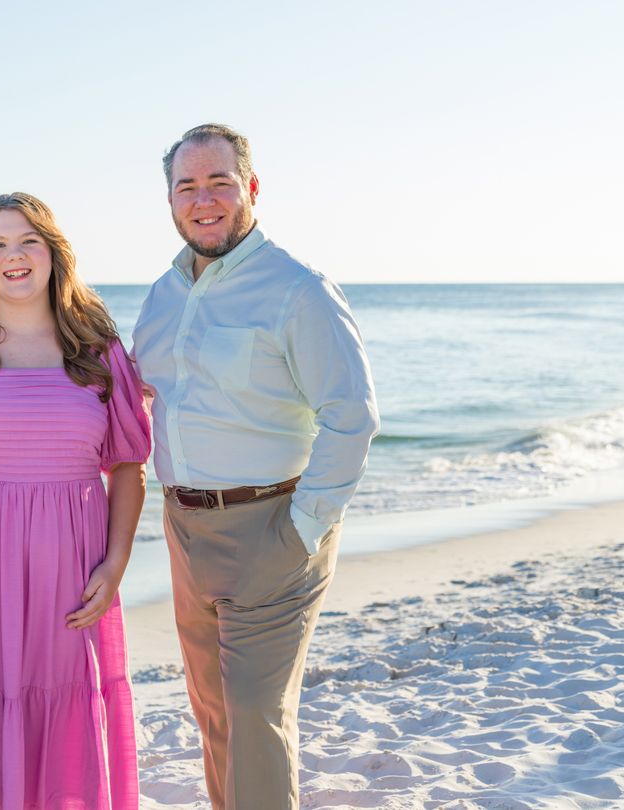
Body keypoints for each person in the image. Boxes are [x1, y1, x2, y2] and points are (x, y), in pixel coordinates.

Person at [131, 124, 380, 810]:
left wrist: (303, 528)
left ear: (252, 189)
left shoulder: (298, 289)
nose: (203, 200)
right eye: (187, 186)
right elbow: (140, 394)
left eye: (219, 183)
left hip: (273, 528)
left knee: (254, 713)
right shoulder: (162, 294)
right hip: (185, 529)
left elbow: (352, 415)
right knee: (213, 712)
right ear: (171, 199)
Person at [0, 193, 151, 810]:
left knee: (68, 705)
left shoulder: (98, 350)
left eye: (28, 240)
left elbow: (128, 466)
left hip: (73, 572)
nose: (14, 256)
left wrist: (116, 565)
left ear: (54, 254)